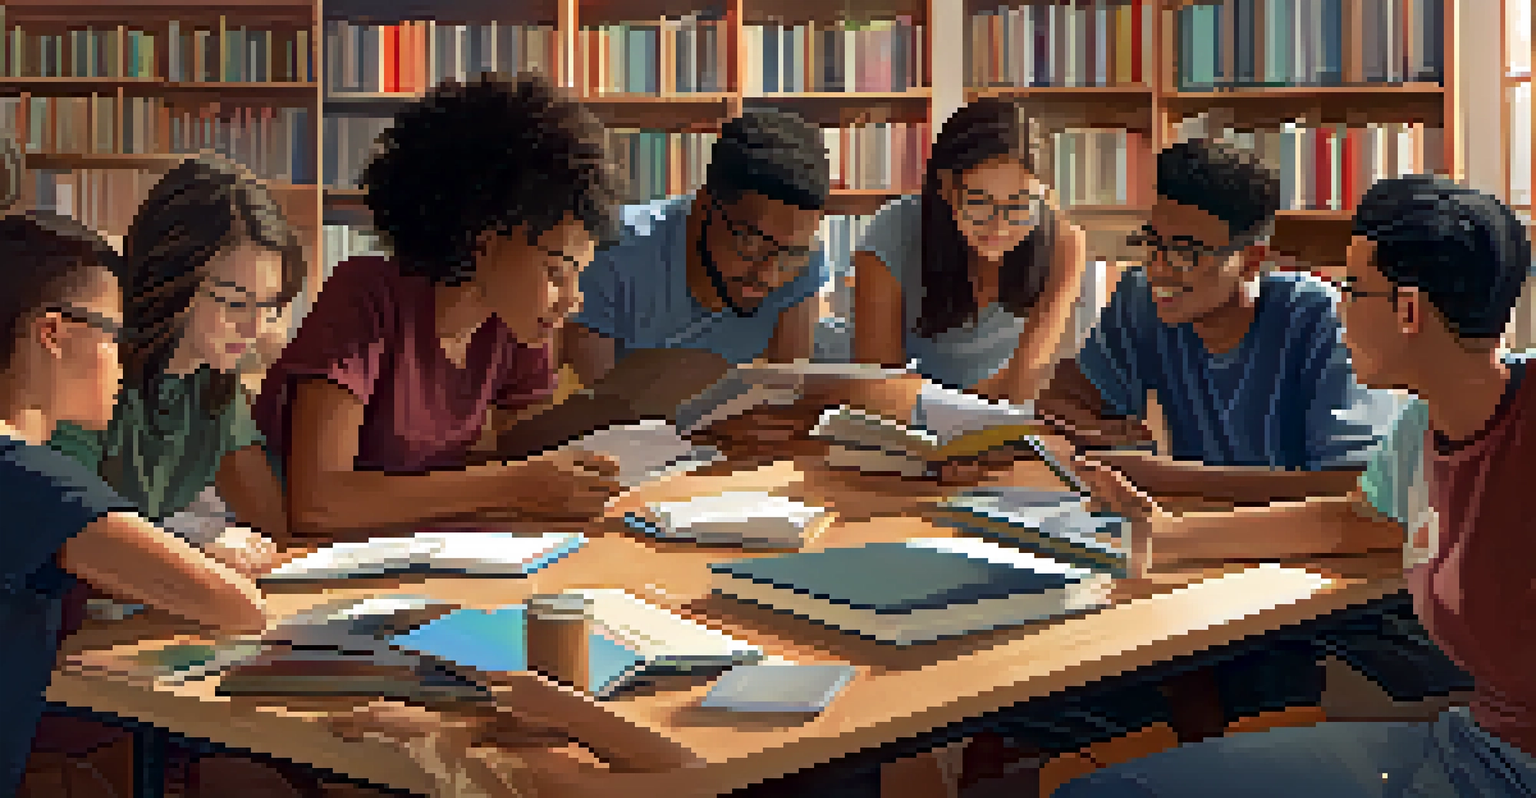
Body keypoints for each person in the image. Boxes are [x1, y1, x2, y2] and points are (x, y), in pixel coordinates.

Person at [1055, 174, 1536, 798]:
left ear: (1409, 310)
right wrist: (1162, 536)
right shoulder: (1424, 422)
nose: (1338, 307)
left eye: (1352, 288)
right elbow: (1351, 521)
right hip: (1475, 749)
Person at [253, 73, 624, 542]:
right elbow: (318, 504)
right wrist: (515, 486)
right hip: (299, 560)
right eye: (556, 272)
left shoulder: (516, 324)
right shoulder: (365, 296)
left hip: (424, 554)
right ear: (483, 240)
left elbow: (521, 455)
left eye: (579, 274)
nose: (573, 301)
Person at [0, 211, 268, 795]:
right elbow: (234, 604)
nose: (125, 361)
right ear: (54, 333)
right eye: (115, 335)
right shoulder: (30, 478)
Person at [493, 108, 835, 459]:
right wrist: (707, 430)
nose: (769, 274)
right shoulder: (610, 253)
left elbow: (786, 400)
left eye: (791, 253)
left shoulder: (802, 264)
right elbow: (608, 420)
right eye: (750, 244)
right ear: (703, 205)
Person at [49, 156, 299, 568]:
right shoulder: (96, 366)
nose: (255, 327)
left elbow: (274, 528)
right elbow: (70, 532)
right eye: (236, 303)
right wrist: (194, 546)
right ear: (170, 279)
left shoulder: (213, 380)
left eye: (268, 306)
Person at [854, 97, 1085, 401]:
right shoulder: (892, 231)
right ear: (948, 189)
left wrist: (963, 410)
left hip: (972, 410)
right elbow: (878, 389)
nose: (999, 225)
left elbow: (1025, 381)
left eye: (1019, 204)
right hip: (904, 408)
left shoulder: (1062, 242)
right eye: (980, 202)